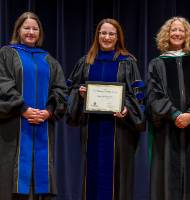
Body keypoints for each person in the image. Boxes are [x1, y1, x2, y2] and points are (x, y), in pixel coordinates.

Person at [66, 18, 145, 200]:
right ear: (97, 35)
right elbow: (70, 90)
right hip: (92, 127)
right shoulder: (86, 61)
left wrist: (127, 110)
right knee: (91, 172)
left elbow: (138, 96)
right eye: (103, 33)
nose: (107, 37)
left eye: (111, 34)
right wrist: (80, 94)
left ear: (118, 37)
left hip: (119, 130)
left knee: (118, 175)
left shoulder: (128, 62)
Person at [0, 12, 67, 200]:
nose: (31, 32)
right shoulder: (6, 54)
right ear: (18, 30)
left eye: (35, 28)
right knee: (10, 181)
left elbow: (60, 89)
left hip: (42, 127)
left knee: (40, 181)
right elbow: (2, 84)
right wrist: (23, 109)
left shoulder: (48, 60)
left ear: (40, 33)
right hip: (13, 128)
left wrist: (48, 112)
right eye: (26, 28)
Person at [147, 16, 190, 200]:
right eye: (173, 30)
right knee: (168, 180)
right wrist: (175, 114)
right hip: (168, 129)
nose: (177, 33)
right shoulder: (157, 63)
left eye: (181, 30)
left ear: (187, 35)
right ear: (166, 35)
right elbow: (154, 94)